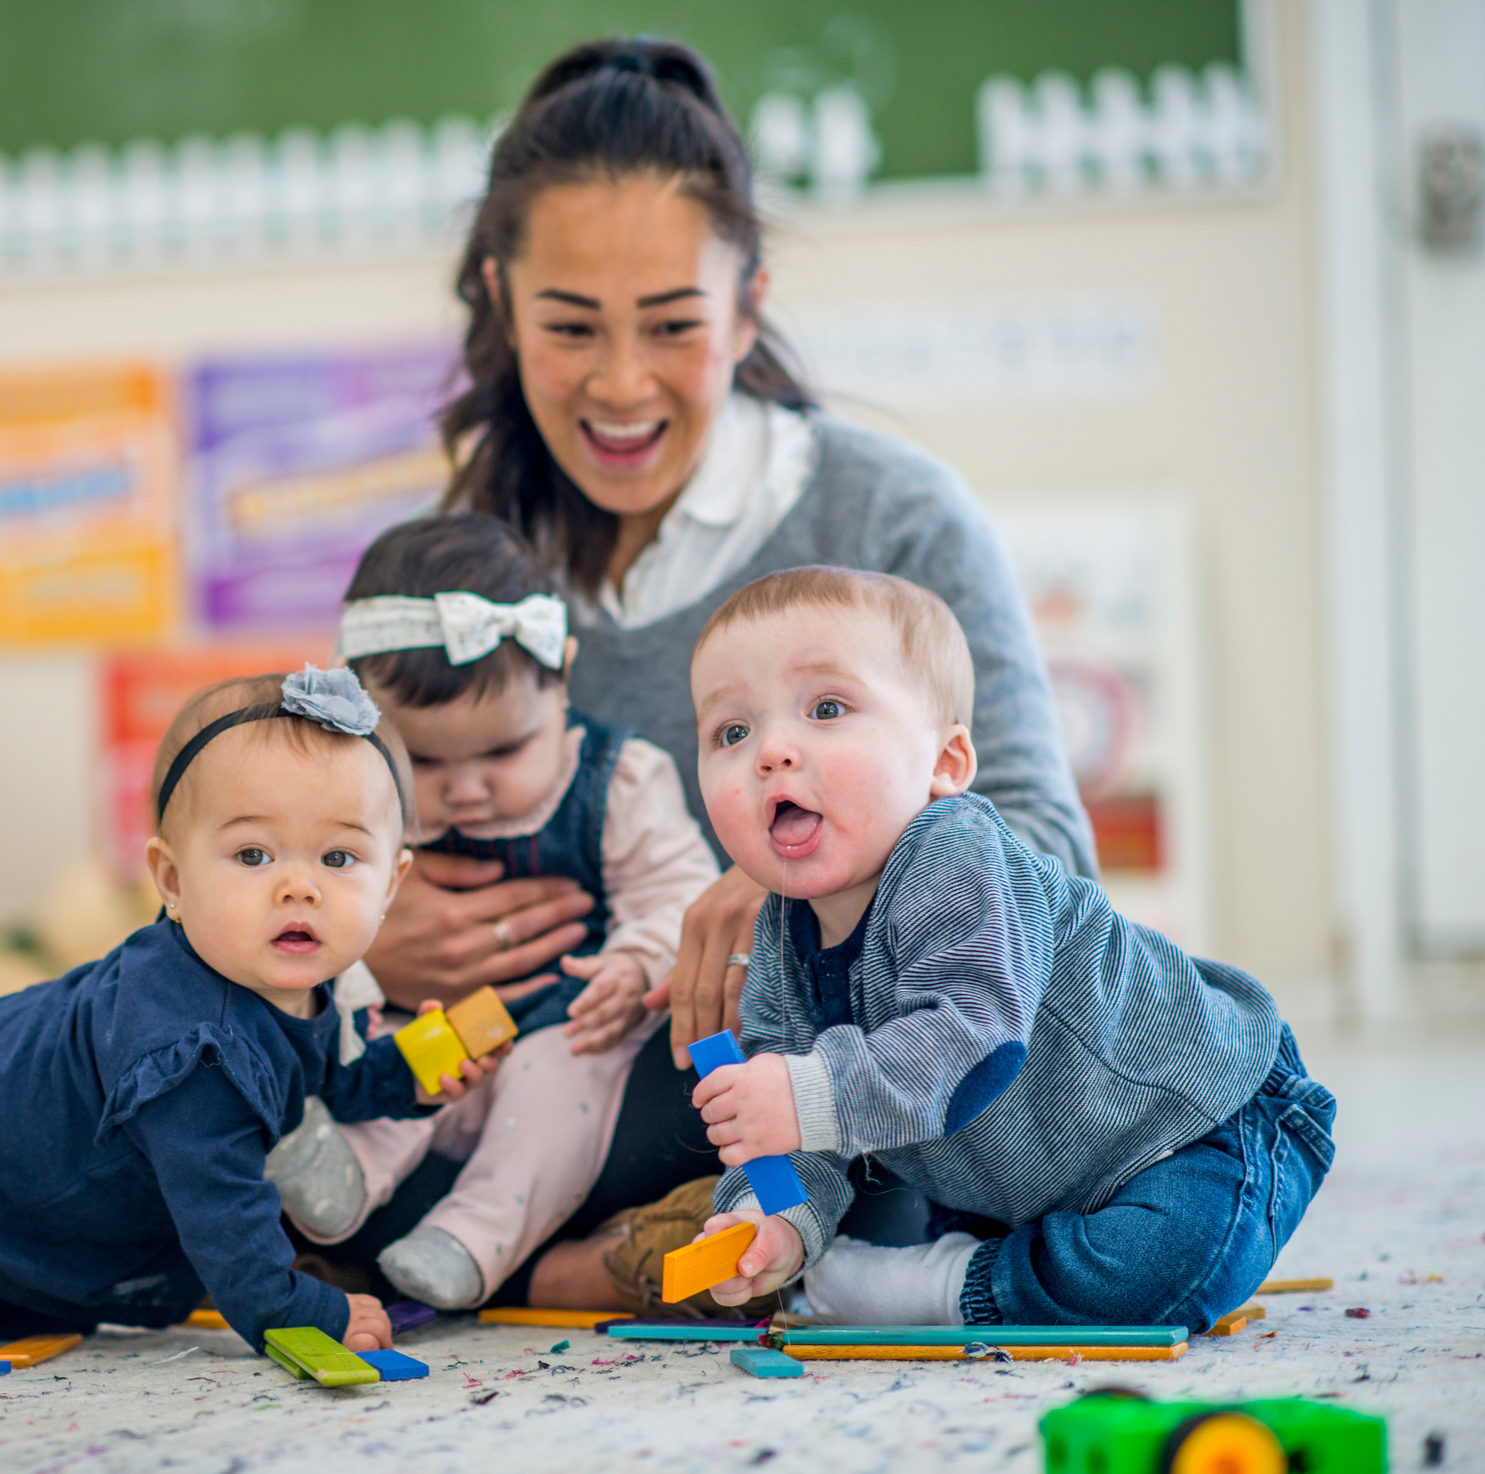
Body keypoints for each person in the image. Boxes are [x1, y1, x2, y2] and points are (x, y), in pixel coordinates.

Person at [349, 35, 1097, 1310]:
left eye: (674, 326)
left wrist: (785, 896)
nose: (622, 384)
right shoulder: (470, 567)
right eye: (570, 327)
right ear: (499, 298)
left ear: (748, 306)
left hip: (771, 1069)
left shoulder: (890, 519)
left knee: (831, 1117)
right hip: (509, 1070)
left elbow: (1046, 865)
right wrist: (370, 919)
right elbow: (323, 804)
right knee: (230, 1068)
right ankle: (583, 1255)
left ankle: (566, 1260)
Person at [0, 668, 506, 1364]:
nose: (299, 887)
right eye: (253, 854)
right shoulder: (191, 1050)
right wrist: (302, 1312)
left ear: (391, 883)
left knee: (18, 1306)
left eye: (340, 856)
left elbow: (327, 1080)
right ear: (171, 879)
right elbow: (225, 1222)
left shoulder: (309, 982)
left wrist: (409, 1075)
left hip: (12, 1167)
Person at [682, 567, 1332, 1327]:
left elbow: (973, 1038)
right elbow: (804, 1131)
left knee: (1164, 1268)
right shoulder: (782, 931)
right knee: (1036, 1245)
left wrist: (802, 1093)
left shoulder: (957, 852)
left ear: (944, 765)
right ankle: (957, 1271)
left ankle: (934, 1290)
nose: (771, 752)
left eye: (826, 708)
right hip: (1016, 1180)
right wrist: (772, 1223)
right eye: (733, 731)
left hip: (1196, 1123)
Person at [265, 515, 717, 1309]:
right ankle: (339, 1184)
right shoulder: (352, 797)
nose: (467, 789)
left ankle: (472, 1241)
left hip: (567, 1028)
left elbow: (681, 894)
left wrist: (637, 963)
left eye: (504, 753)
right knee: (383, 1061)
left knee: (554, 1093)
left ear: (563, 679)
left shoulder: (617, 780)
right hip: (428, 1025)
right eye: (427, 761)